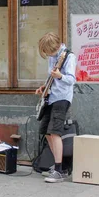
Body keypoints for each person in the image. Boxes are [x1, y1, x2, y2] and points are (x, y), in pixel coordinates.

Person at [35, 32, 76, 183]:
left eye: (48, 51)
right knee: (46, 132)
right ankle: (60, 168)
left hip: (62, 98)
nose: (47, 54)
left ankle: (59, 170)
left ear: (55, 47)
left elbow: (71, 80)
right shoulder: (54, 57)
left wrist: (60, 76)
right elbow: (51, 76)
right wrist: (45, 87)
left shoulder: (68, 57)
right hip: (51, 97)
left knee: (55, 132)